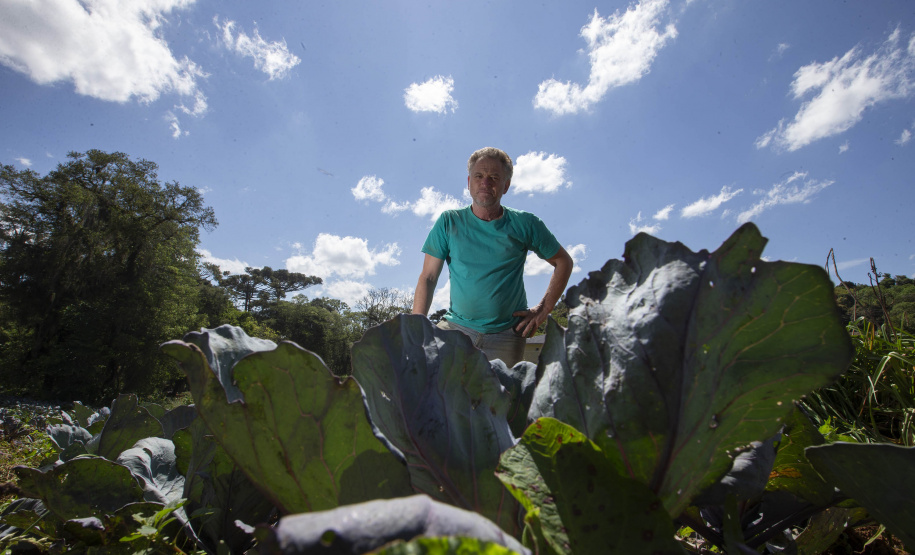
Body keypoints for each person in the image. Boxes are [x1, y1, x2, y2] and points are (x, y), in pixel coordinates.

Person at [412, 147, 573, 367]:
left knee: (500, 401)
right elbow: (429, 277)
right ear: (469, 181)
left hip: (506, 337)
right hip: (456, 330)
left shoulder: (526, 224)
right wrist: (415, 328)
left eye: (494, 177)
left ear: (506, 185)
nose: (485, 182)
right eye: (479, 176)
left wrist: (544, 309)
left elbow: (563, 261)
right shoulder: (449, 222)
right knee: (433, 391)